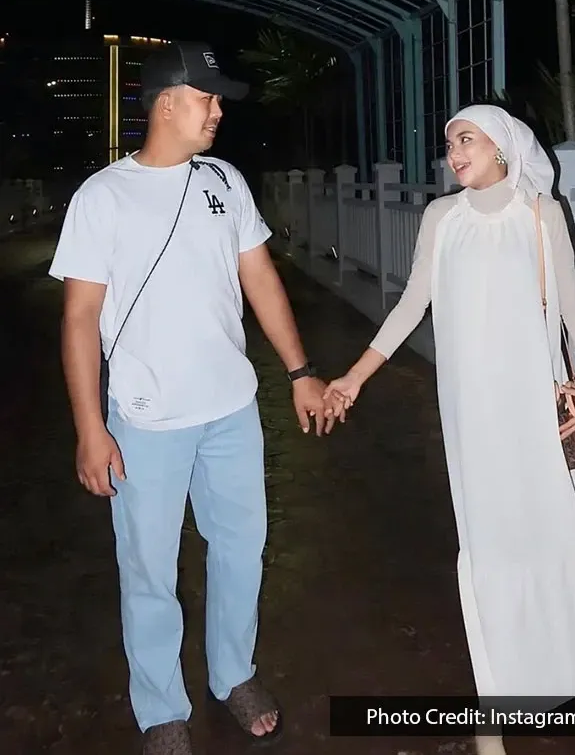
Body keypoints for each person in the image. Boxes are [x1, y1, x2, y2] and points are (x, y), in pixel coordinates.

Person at [323, 105, 575, 754]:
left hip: (534, 403)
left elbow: (570, 304)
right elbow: (412, 302)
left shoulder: (541, 214)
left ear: (502, 147)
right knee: (489, 540)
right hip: (472, 410)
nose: (453, 152)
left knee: (556, 524)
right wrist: (355, 377)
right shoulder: (441, 219)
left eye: (466, 140)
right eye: (450, 143)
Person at [49, 42, 342, 755]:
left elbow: (260, 279)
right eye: (207, 97)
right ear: (167, 102)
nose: (218, 110)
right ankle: (160, 710)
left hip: (232, 411)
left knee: (243, 548)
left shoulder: (224, 182)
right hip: (147, 422)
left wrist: (300, 370)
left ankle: (233, 674)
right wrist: (92, 429)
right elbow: (80, 319)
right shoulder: (102, 197)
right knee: (149, 569)